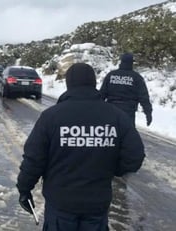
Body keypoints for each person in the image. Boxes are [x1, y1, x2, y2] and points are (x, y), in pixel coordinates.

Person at [16, 63, 145, 231]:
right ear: (94, 83)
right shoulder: (116, 116)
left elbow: (34, 158)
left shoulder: (51, 117)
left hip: (61, 203)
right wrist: (112, 169)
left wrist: (24, 188)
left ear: (69, 84)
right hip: (97, 203)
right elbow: (135, 156)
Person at [100, 53, 152, 127]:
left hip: (111, 110)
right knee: (128, 135)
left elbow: (102, 94)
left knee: (111, 134)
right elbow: (144, 97)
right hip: (128, 112)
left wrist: (97, 110)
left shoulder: (111, 75)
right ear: (131, 63)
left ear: (121, 62)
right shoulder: (136, 77)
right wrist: (148, 113)